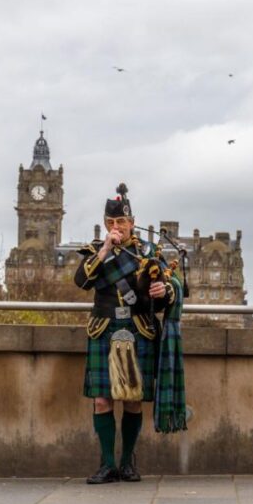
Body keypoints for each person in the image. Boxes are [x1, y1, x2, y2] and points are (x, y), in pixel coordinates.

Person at [74, 184, 178, 484]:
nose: (116, 227)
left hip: (138, 328)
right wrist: (106, 248)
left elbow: (169, 293)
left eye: (121, 222)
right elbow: (81, 281)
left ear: (132, 222)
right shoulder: (96, 250)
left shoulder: (149, 253)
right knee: (102, 400)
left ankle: (128, 463)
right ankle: (107, 465)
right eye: (110, 222)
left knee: (133, 399)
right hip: (105, 328)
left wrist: (164, 290)